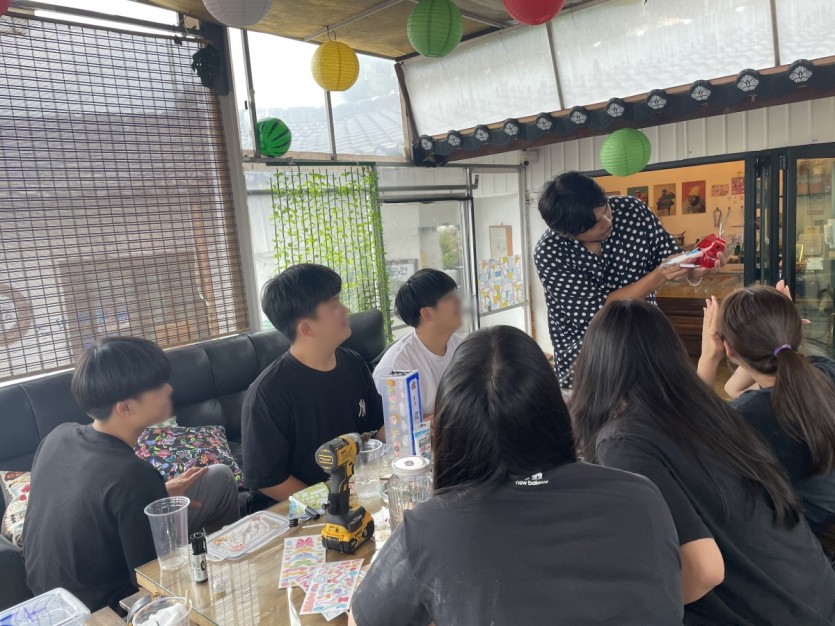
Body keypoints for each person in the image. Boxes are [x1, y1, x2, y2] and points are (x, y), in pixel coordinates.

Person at [351, 326, 684, 626]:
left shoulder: (428, 530)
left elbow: (361, 620)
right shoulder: (642, 498)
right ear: (557, 409)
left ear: (449, 431)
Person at [571, 299, 835, 625]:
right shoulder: (710, 410)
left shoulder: (624, 440)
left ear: (594, 363)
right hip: (814, 590)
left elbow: (703, 571)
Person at [23, 337, 240, 612]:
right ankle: (220, 590)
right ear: (125, 407)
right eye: (158, 386)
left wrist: (159, 495)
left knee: (218, 477)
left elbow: (93, 504)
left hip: (45, 597)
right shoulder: (133, 475)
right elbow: (151, 579)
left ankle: (227, 560)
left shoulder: (58, 435)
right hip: (104, 609)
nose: (169, 389)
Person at [698, 283, 835, 553]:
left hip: (806, 540)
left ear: (728, 349)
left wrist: (708, 358)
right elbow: (740, 385)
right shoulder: (826, 371)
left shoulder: (746, 416)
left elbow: (686, 445)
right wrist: (778, 331)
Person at [534, 171, 697, 387]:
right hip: (590, 355)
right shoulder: (551, 251)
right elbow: (600, 310)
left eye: (605, 209)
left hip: (645, 340)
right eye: (594, 225)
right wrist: (658, 275)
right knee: (597, 406)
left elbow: (671, 260)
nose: (607, 222)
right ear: (568, 233)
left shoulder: (632, 211)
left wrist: (697, 266)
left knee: (658, 401)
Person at [241, 264, 385, 503]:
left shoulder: (354, 363)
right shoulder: (267, 393)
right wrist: (329, 502)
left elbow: (377, 429)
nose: (346, 309)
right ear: (306, 328)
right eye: (334, 305)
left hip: (357, 493)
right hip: (300, 510)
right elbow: (269, 480)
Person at [373, 269, 462, 418]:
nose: (459, 302)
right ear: (427, 313)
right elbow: (398, 426)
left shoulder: (461, 346)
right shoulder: (396, 368)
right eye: (450, 298)